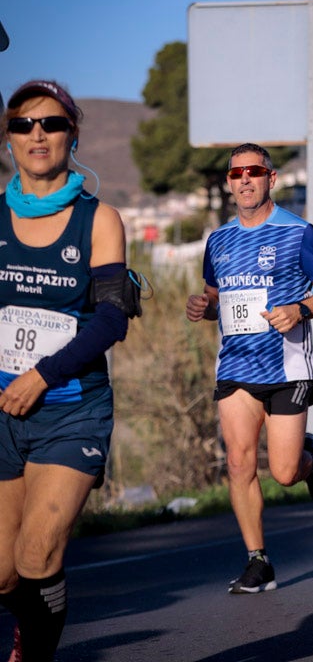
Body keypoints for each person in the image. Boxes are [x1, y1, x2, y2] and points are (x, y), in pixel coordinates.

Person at [0, 81, 138, 661]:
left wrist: (43, 375)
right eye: (24, 123)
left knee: (38, 555)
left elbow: (111, 322)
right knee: (5, 576)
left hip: (72, 411)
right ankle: (28, 625)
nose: (39, 134)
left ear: (72, 134)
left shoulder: (99, 219)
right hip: (5, 416)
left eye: (52, 124)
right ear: (9, 137)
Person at [186, 143, 313, 594]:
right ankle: (258, 561)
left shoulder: (297, 233)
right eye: (236, 174)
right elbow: (217, 297)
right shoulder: (218, 240)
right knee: (238, 462)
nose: (245, 179)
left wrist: (300, 310)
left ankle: (311, 462)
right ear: (229, 182)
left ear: (271, 178)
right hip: (236, 366)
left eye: (254, 171)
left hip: (287, 366)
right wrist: (205, 306)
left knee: (285, 473)